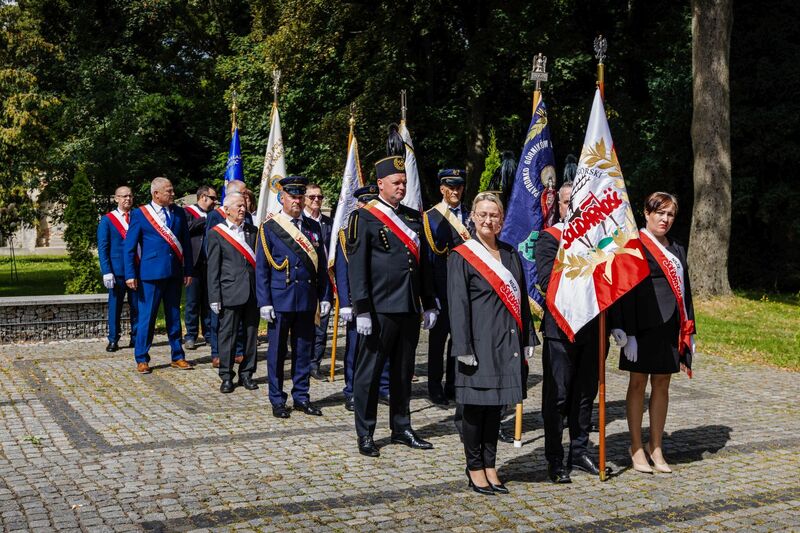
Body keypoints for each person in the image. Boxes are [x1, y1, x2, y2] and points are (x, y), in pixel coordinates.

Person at [348, 154, 438, 457]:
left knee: (403, 371)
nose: (402, 187)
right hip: (379, 308)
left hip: (409, 306)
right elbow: (357, 267)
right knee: (369, 373)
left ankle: (401, 426)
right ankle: (366, 432)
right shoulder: (364, 217)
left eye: (404, 182)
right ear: (381, 184)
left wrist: (429, 303)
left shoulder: (413, 217)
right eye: (396, 182)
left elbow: (422, 265)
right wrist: (361, 309)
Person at [448, 192, 537, 495]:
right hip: (477, 345)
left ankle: (490, 465)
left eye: (494, 215)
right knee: (474, 410)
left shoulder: (511, 254)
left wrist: (528, 337)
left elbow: (522, 300)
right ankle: (474, 467)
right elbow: (458, 306)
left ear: (501, 220)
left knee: (495, 409)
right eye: (483, 214)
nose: (488, 220)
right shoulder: (461, 255)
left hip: (506, 343)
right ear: (472, 217)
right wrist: (462, 348)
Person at [614, 192, 696, 474]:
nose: (665, 219)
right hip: (642, 328)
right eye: (660, 213)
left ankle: (656, 445)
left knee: (662, 384)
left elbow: (686, 292)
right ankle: (636, 447)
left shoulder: (677, 248)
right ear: (646, 214)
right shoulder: (634, 244)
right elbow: (624, 290)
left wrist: (690, 330)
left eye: (670, 214)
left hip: (671, 327)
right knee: (638, 385)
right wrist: (626, 330)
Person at [536, 181, 601, 483]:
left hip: (592, 327)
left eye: (577, 202)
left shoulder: (599, 241)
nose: (571, 207)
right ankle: (554, 458)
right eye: (566, 202)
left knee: (585, 395)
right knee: (557, 398)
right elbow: (550, 280)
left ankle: (579, 449)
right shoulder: (550, 239)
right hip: (560, 330)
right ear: (559, 206)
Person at [255, 175, 332, 418]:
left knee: (303, 350)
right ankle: (277, 399)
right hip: (280, 299)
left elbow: (320, 267)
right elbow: (262, 268)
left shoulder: (313, 227)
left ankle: (301, 396)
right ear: (283, 197)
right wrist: (264, 301)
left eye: (300, 196)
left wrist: (325, 295)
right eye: (293, 196)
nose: (297, 201)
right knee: (277, 352)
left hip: (306, 298)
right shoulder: (270, 227)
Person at [124, 177, 193, 374]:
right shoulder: (140, 214)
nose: (172, 194)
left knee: (173, 316)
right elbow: (129, 246)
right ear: (156, 194)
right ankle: (142, 358)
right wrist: (130, 274)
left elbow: (185, 244)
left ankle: (177, 355)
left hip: (173, 272)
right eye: (169, 191)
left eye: (172, 190)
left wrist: (187, 270)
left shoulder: (179, 212)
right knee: (147, 317)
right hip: (150, 274)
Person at [334, 184, 390, 411]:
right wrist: (346, 304)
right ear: (357, 206)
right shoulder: (346, 233)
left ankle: (383, 386)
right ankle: (352, 390)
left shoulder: (385, 230)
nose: (367, 207)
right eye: (364, 204)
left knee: (383, 345)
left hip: (382, 299)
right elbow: (343, 270)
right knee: (356, 347)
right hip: (359, 301)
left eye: (371, 203)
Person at [422, 168, 472, 405]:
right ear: (442, 189)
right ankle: (434, 387)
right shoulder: (431, 217)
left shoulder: (472, 215)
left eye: (459, 187)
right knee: (437, 342)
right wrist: (430, 298)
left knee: (459, 339)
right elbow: (428, 261)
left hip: (465, 288)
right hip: (442, 289)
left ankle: (454, 384)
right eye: (450, 187)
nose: (455, 191)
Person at [206, 192, 259, 393]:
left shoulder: (253, 231)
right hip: (229, 292)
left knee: (251, 335)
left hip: (253, 292)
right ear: (226, 210)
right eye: (238, 206)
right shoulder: (216, 233)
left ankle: (247, 373)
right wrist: (214, 297)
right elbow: (213, 268)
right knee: (227, 335)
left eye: (244, 205)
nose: (242, 209)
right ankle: (227, 375)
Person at [206, 180, 250, 367]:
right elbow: (212, 261)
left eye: (245, 201)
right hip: (227, 287)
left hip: (248, 289)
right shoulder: (216, 225)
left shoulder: (250, 227)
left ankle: (243, 362)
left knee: (245, 331)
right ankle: (221, 362)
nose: (244, 205)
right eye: (240, 201)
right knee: (224, 329)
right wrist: (215, 294)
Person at [97, 185, 138, 352]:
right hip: (117, 271)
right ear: (116, 199)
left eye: (129, 196)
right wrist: (106, 271)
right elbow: (103, 247)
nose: (127, 199)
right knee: (115, 307)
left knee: (137, 307)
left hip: (136, 270)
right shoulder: (108, 220)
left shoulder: (137, 217)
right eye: (123, 196)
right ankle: (113, 339)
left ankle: (136, 338)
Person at [304, 183, 334, 381]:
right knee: (304, 326)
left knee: (322, 326)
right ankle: (303, 361)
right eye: (312, 197)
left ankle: (315, 363)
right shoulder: (299, 223)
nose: (316, 200)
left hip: (325, 281)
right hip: (304, 281)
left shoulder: (329, 223)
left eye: (320, 197)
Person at [183, 185, 217, 350]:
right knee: (192, 301)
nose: (214, 201)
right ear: (203, 197)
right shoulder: (188, 212)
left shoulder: (214, 215)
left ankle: (209, 334)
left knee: (208, 301)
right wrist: (205, 219)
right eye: (212, 198)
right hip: (194, 264)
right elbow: (186, 229)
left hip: (210, 263)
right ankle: (190, 335)